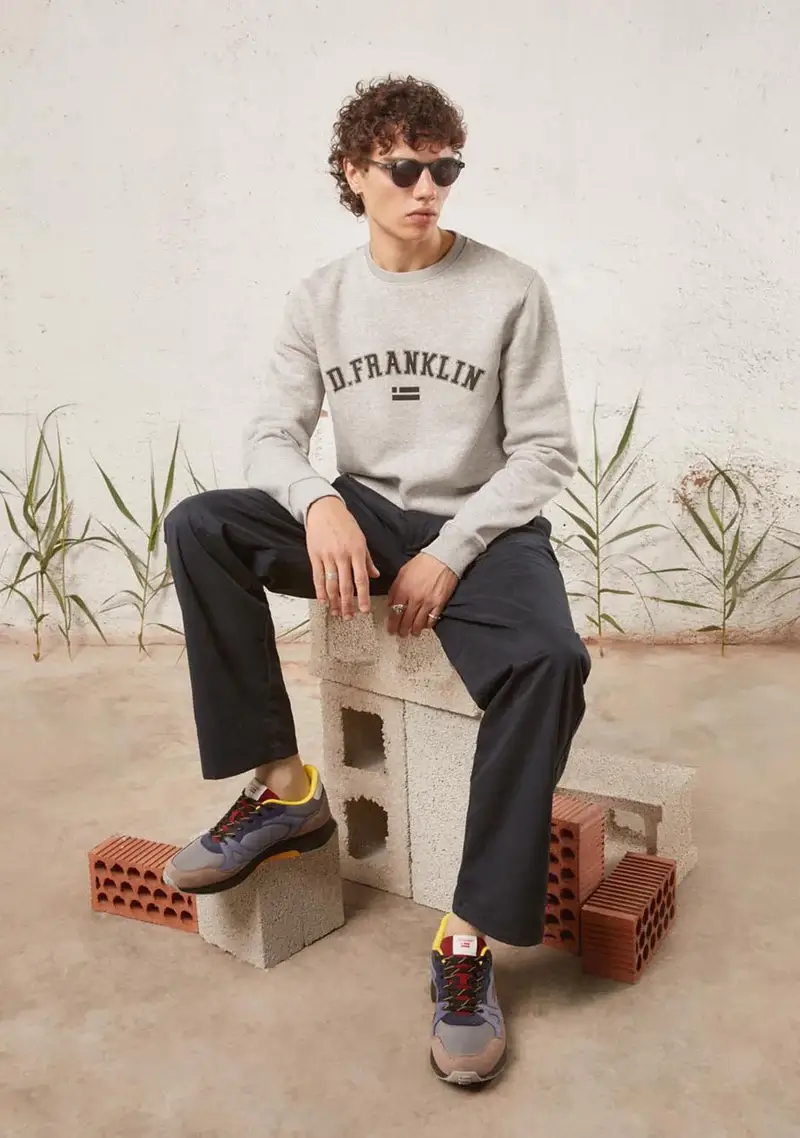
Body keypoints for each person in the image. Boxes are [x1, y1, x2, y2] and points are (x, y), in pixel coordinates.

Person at [163, 74, 591, 1086]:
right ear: (353, 174)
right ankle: (284, 792)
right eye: (402, 168)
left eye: (444, 168)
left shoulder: (510, 289)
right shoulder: (319, 298)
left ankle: (466, 939)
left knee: (550, 659)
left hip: (483, 524)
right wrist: (319, 502)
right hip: (361, 512)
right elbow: (271, 433)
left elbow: (543, 451)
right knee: (201, 526)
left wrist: (454, 548)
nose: (426, 187)